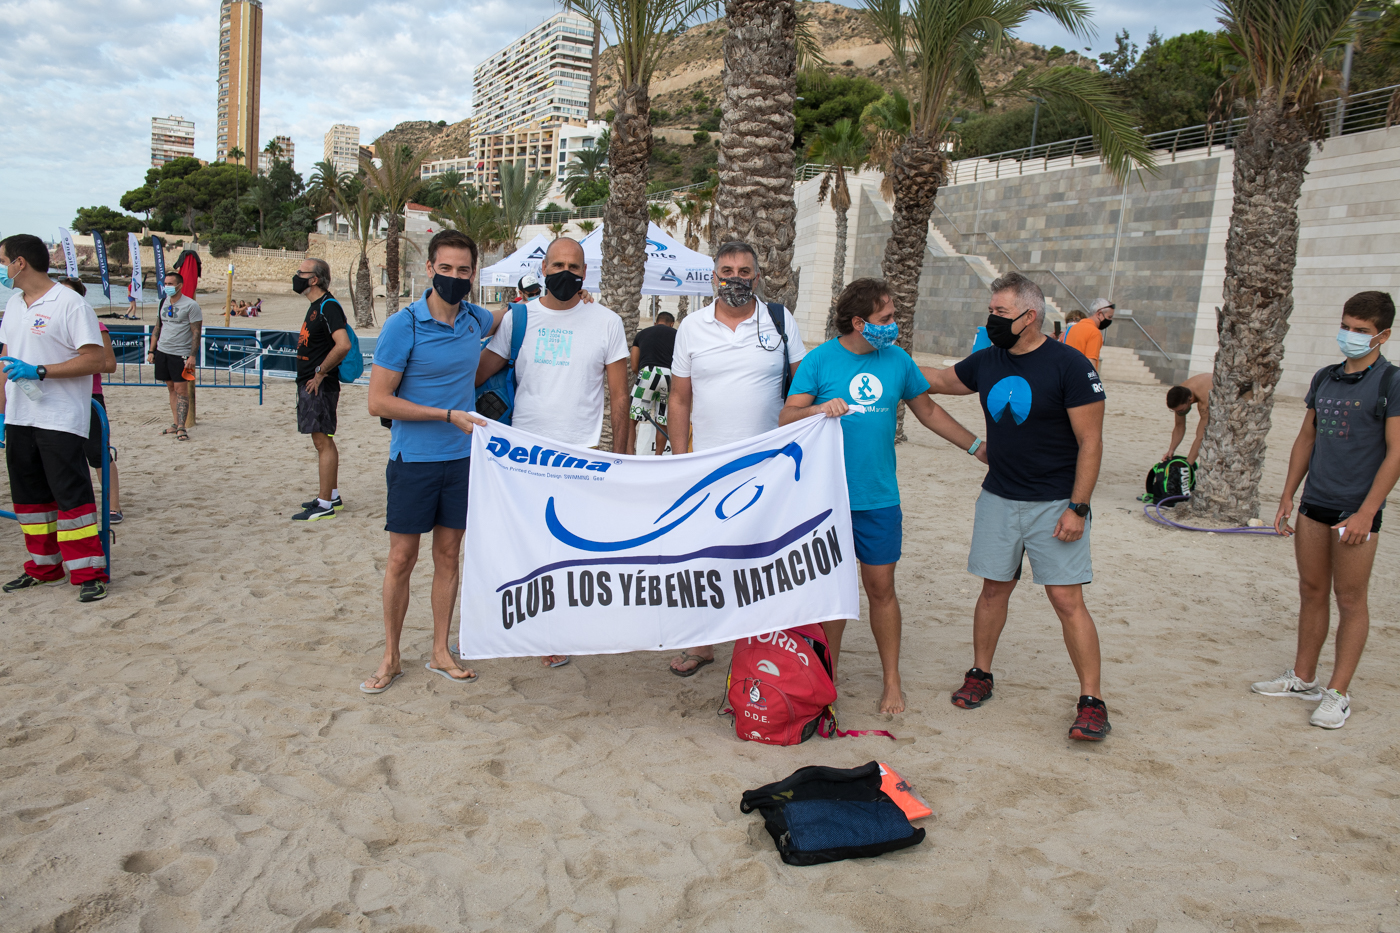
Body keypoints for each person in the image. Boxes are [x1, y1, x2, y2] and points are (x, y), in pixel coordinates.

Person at [781, 278, 987, 714]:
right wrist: (819, 408)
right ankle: (826, 677)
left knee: (881, 588)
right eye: (886, 317)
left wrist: (976, 447)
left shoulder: (897, 360)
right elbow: (786, 418)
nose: (894, 324)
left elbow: (928, 410)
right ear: (858, 322)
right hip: (826, 501)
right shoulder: (819, 361)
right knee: (833, 592)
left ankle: (891, 680)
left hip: (878, 498)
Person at [923, 271, 1111, 741]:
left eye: (1000, 312)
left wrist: (1078, 508)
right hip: (999, 498)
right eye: (991, 310)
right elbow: (942, 381)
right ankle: (980, 673)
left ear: (1030, 316)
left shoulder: (1070, 366)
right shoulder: (989, 360)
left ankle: (1091, 701)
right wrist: (887, 362)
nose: (992, 319)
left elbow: (1091, 443)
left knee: (1067, 600)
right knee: (993, 591)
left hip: (1055, 504)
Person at [478, 237, 628, 669]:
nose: (567, 272)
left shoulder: (606, 322)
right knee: (523, 542)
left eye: (575, 266)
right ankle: (524, 623)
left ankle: (558, 631)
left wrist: (617, 459)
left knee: (568, 547)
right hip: (522, 452)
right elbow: (477, 373)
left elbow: (620, 396)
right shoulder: (519, 319)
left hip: (579, 453)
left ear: (586, 272)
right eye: (558, 264)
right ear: (543, 269)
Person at [664, 240, 808, 676]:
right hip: (708, 467)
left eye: (745, 272)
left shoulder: (780, 321)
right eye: (727, 271)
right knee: (704, 556)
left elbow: (804, 387)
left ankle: (759, 642)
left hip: (772, 467)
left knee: (765, 556)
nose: (736, 279)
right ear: (714, 277)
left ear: (757, 277)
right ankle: (702, 644)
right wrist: (680, 458)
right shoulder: (691, 326)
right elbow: (679, 398)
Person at [363, 229, 495, 694]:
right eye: (446, 269)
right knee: (402, 557)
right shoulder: (406, 324)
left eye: (463, 271)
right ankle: (391, 656)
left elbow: (509, 316)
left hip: (463, 461)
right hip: (413, 459)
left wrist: (566, 298)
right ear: (430, 269)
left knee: (448, 556)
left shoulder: (475, 320)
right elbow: (378, 402)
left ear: (473, 274)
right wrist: (445, 414)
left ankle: (441, 650)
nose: (455, 278)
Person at [1261, 291, 1400, 730]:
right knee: (1311, 589)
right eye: (1347, 326)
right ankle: (1303, 677)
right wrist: (1288, 494)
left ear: (1383, 335)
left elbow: (1396, 453)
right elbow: (1307, 438)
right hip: (1314, 502)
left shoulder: (1392, 382)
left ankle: (1337, 692)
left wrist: (1366, 512)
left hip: (1356, 510)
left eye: (1361, 331)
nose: (1350, 336)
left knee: (1351, 599)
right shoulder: (1325, 377)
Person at [0, 235, 111, 602]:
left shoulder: (70, 303)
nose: (1, 270)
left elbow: (99, 361)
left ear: (20, 263)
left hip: (60, 418)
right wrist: (1, 408)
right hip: (19, 417)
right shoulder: (15, 305)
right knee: (30, 499)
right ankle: (44, 567)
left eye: (2, 262)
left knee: (71, 498)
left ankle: (88, 572)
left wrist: (41, 371)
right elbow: (6, 355)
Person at [291, 258, 352, 522]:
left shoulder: (329, 306)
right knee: (321, 440)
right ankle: (331, 494)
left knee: (322, 441)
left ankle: (325, 503)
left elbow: (343, 344)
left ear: (314, 279)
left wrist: (320, 373)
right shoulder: (316, 306)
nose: (296, 276)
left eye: (300, 273)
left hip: (320, 385)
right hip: (310, 382)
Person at [60, 278, 122, 523]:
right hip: (57, 395)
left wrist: (77, 363)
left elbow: (110, 364)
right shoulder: (51, 324)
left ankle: (113, 506)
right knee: (62, 453)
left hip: (88, 396)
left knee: (98, 454)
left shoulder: (95, 325)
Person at [146, 271, 201, 441]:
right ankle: (176, 423)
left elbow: (196, 332)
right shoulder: (163, 302)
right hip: (163, 352)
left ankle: (182, 427)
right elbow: (157, 327)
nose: (167, 287)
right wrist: (151, 350)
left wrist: (192, 356)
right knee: (170, 388)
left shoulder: (191, 305)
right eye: (165, 283)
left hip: (181, 354)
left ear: (179, 285)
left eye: (170, 284)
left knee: (181, 390)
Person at [629, 310, 677, 455]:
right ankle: (658, 458)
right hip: (668, 376)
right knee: (662, 420)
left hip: (647, 373)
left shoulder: (642, 333)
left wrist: (644, 379)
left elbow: (634, 365)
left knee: (632, 418)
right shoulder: (677, 335)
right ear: (672, 324)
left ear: (656, 322)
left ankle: (630, 454)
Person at [1163, 374, 1213, 464]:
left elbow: (1201, 437)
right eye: (1175, 411)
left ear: (1190, 400)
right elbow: (1179, 426)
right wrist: (1171, 450)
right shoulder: (1181, 391)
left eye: (1181, 410)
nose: (1179, 413)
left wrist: (1188, 464)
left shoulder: (1205, 401)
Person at [1064, 298, 1114, 372]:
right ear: (1099, 314)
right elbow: (1090, 365)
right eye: (1109, 317)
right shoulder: (1094, 332)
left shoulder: (1073, 328)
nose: (1110, 320)